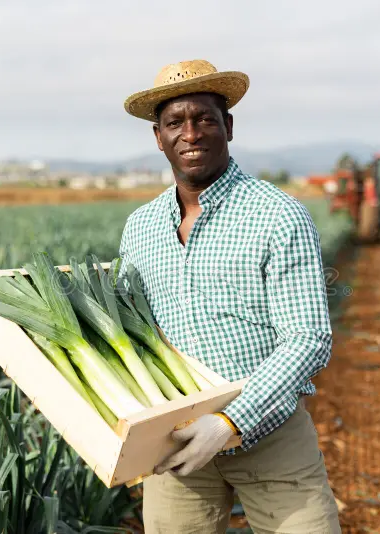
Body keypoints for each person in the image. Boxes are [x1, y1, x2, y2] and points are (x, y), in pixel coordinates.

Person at [119, 60, 342, 533]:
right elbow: (129, 327)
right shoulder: (140, 227)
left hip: (270, 436)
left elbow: (309, 338)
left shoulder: (278, 215)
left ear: (229, 127)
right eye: (175, 122)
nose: (191, 133)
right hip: (174, 445)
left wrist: (228, 421)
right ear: (158, 138)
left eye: (204, 118)